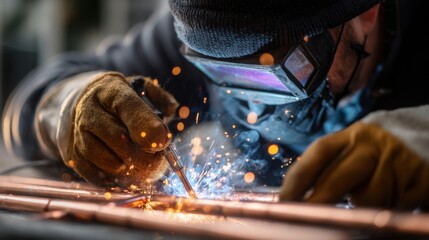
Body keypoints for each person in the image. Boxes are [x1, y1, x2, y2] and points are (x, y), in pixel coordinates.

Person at [2, 0, 429, 210]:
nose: (255, 104)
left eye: (278, 71)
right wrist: (67, 108)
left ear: (368, 14)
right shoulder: (213, 21)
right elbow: (25, 104)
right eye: (223, 73)